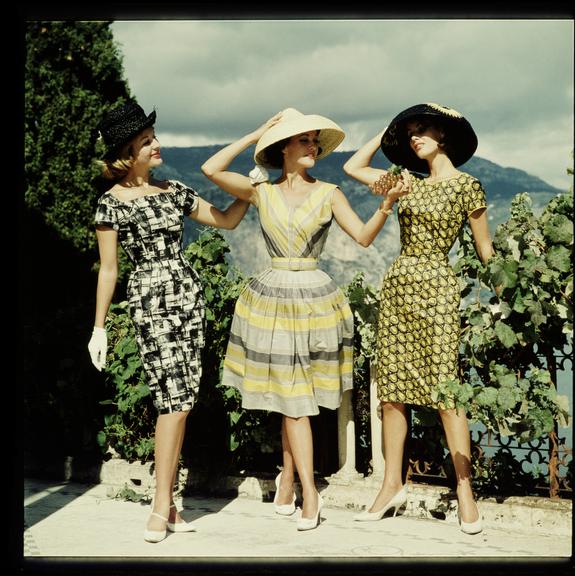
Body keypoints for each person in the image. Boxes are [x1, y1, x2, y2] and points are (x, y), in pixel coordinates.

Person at [200, 108, 407, 531]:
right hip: (269, 300)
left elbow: (365, 238)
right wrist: (259, 131)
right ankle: (303, 488)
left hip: (316, 300)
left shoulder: (330, 192)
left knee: (296, 399)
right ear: (283, 149)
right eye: (304, 140)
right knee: (289, 398)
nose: (313, 147)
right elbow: (211, 168)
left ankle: (293, 482)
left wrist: (385, 205)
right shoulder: (260, 191)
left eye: (315, 140)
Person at [86, 101, 250, 543]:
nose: (156, 145)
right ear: (128, 152)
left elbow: (226, 222)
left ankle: (169, 503)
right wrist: (99, 327)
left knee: (183, 400)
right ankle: (161, 505)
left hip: (186, 296)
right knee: (172, 401)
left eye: (153, 137)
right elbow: (109, 270)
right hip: (150, 299)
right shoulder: (109, 204)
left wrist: (250, 191)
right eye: (147, 141)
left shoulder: (174, 190)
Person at [343, 102, 495, 534]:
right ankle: (391, 485)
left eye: (423, 128)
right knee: (391, 393)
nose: (415, 136)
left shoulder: (468, 185)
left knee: (447, 393)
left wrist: (506, 295)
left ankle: (465, 490)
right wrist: (387, 131)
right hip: (399, 285)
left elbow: (486, 251)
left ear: (445, 135)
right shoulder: (405, 182)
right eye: (409, 132)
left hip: (439, 288)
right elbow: (355, 166)